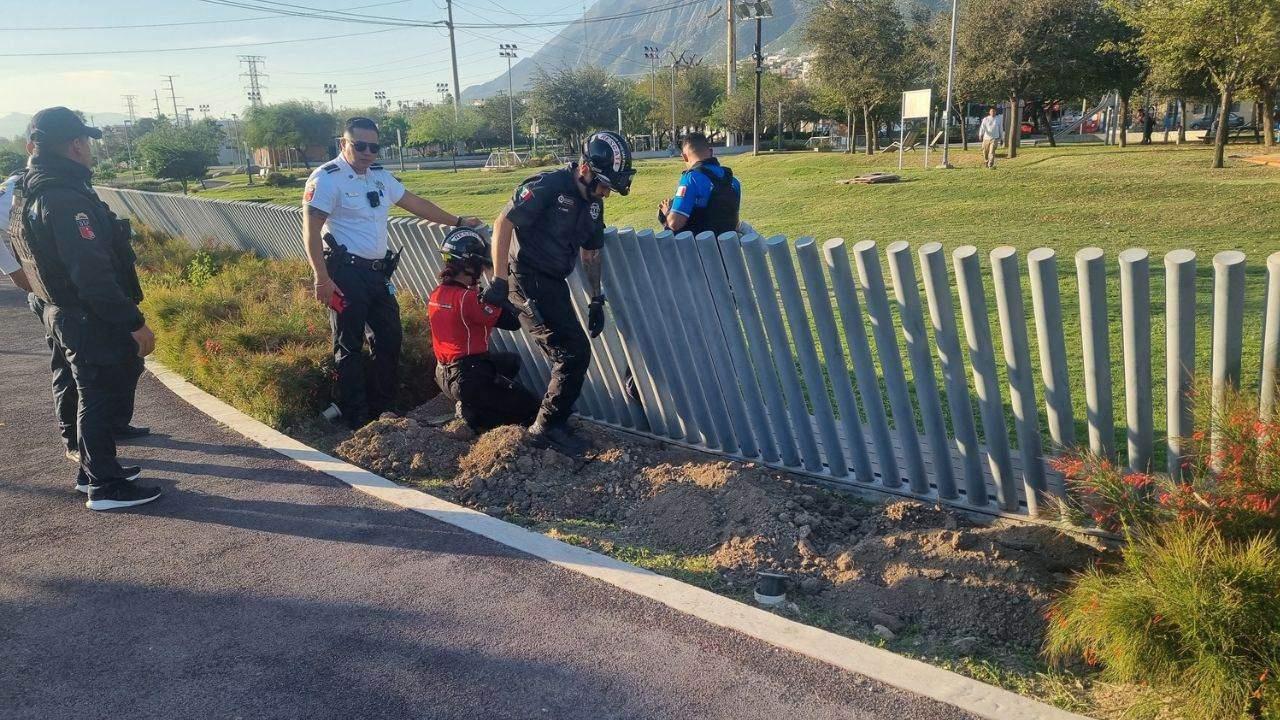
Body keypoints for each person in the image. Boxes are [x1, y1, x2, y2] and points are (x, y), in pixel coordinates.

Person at [7, 107, 159, 510]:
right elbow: (91, 274)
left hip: (57, 309)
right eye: (87, 142)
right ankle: (105, 488)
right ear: (76, 145)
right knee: (98, 393)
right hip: (87, 316)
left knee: (82, 389)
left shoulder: (31, 189)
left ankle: (93, 469)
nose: (89, 149)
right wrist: (133, 322)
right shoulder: (63, 197)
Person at [304, 116, 481, 429]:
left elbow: (414, 203)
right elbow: (311, 231)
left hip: (377, 274)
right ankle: (357, 416)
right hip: (345, 274)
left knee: (389, 339)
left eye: (374, 146)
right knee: (349, 345)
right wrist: (322, 278)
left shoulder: (379, 177)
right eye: (360, 145)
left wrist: (456, 222)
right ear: (343, 144)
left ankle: (383, 409)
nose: (368, 152)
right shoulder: (327, 179)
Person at [486, 130, 635, 454]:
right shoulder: (548, 186)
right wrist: (498, 280)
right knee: (571, 353)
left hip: (552, 283)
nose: (606, 194)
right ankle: (545, 428)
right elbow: (503, 223)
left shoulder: (593, 204)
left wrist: (596, 299)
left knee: (573, 352)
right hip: (525, 278)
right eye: (604, 185)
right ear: (584, 170)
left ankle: (551, 423)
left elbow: (591, 252)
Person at [428, 227, 540, 433]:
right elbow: (513, 323)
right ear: (472, 265)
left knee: (510, 362)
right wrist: (498, 289)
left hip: (444, 374)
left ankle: (478, 405)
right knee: (532, 408)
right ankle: (481, 418)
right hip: (468, 377)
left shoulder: (437, 293)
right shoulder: (466, 299)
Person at [658, 132, 741, 237]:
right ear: (711, 152)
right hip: (727, 249)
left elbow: (675, 223)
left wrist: (667, 212)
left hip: (698, 250)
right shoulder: (733, 182)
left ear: (684, 157)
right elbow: (735, 222)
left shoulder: (691, 178)